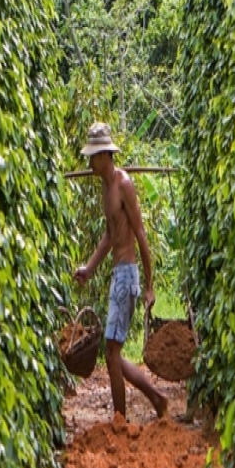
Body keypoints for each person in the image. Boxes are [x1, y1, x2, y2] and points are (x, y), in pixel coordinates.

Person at [73, 122, 169, 420]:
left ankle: (121, 419)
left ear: (104, 155)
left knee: (112, 353)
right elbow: (109, 235)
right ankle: (154, 401)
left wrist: (150, 286)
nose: (89, 163)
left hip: (127, 275)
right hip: (118, 274)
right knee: (113, 352)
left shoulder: (123, 184)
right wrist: (89, 267)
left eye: (92, 156)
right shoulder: (105, 187)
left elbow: (140, 235)